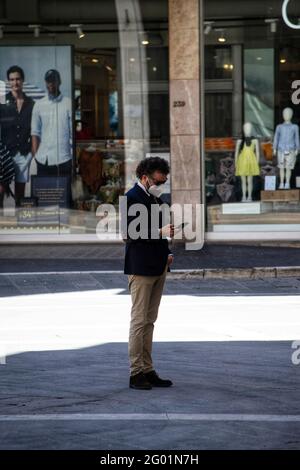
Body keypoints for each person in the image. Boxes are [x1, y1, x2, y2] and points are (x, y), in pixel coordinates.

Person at [124, 157, 175, 390]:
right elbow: (128, 234)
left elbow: (161, 233)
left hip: (158, 265)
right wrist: (159, 231)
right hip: (141, 268)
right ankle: (136, 373)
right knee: (139, 321)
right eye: (158, 180)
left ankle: (148, 368)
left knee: (150, 321)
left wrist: (167, 251)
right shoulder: (131, 198)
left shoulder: (155, 198)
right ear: (145, 177)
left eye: (164, 181)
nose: (161, 184)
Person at [1, 66, 34, 206]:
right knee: (1, 191)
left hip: (23, 154)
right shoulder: (1, 102)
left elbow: (35, 131)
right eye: (12, 79)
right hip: (4, 154)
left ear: (23, 80)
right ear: (8, 81)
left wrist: (31, 154)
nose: (15, 83)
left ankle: (19, 223)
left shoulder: (32, 104)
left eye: (18, 79)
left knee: (20, 194)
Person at [31, 69, 72, 176]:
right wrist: (36, 156)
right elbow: (35, 133)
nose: (51, 84)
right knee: (43, 193)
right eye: (48, 81)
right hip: (42, 161)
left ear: (59, 82)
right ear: (45, 82)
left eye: (53, 81)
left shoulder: (68, 103)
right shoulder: (38, 105)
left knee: (63, 193)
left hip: (63, 160)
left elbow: (73, 134)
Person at [273, 107, 300, 189]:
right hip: (281, 149)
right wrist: (274, 148)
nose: (286, 115)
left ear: (291, 115)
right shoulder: (279, 127)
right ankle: (281, 183)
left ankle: (287, 183)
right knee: (281, 167)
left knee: (288, 168)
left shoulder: (295, 127)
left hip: (291, 149)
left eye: (288, 113)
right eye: (284, 113)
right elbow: (276, 137)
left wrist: (297, 148)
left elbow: (296, 138)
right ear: (282, 115)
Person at [235, 122, 260, 202]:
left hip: (251, 161)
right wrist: (236, 163)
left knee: (249, 180)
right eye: (246, 128)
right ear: (243, 129)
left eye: (249, 128)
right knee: (243, 181)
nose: (247, 130)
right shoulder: (239, 140)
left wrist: (257, 163)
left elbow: (258, 152)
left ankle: (249, 196)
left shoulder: (255, 140)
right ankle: (244, 196)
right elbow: (236, 153)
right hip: (242, 160)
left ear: (251, 129)